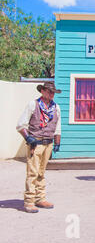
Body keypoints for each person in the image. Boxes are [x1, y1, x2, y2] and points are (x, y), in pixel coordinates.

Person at [16, 81, 62, 213]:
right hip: (35, 143)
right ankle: (29, 201)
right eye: (48, 91)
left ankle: (40, 198)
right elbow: (20, 125)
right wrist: (28, 138)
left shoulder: (56, 108)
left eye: (53, 92)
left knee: (41, 172)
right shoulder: (33, 105)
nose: (51, 94)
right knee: (32, 173)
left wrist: (57, 142)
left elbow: (58, 127)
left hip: (48, 143)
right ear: (42, 91)